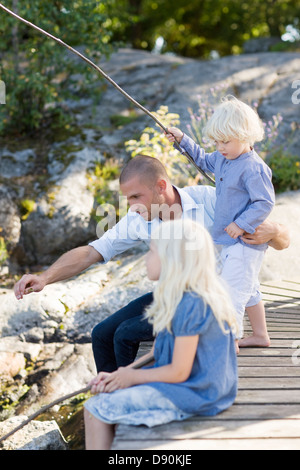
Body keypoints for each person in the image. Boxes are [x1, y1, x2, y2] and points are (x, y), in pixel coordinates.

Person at [13, 155, 289, 370]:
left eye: (136, 196)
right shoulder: (137, 219)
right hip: (172, 293)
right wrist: (45, 277)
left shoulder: (211, 200)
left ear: (161, 187)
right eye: (127, 199)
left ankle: (130, 391)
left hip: (207, 302)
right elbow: (92, 252)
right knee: (100, 334)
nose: (132, 205)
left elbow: (280, 239)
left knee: (126, 334)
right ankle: (110, 397)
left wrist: (275, 232)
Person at [84, 219, 238, 450]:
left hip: (197, 393)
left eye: (152, 252)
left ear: (172, 260)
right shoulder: (177, 298)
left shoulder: (193, 303)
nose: (146, 259)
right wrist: (122, 374)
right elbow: (158, 352)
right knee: (107, 396)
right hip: (193, 386)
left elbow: (178, 371)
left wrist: (132, 379)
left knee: (94, 410)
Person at [166, 95, 275, 350]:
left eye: (225, 141)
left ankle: (230, 341)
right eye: (217, 141)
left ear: (245, 136)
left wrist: (242, 224)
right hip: (229, 240)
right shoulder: (224, 158)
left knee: (231, 291)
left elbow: (265, 203)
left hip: (246, 241)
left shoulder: (253, 168)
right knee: (249, 288)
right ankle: (260, 335)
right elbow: (203, 160)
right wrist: (182, 140)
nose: (220, 147)